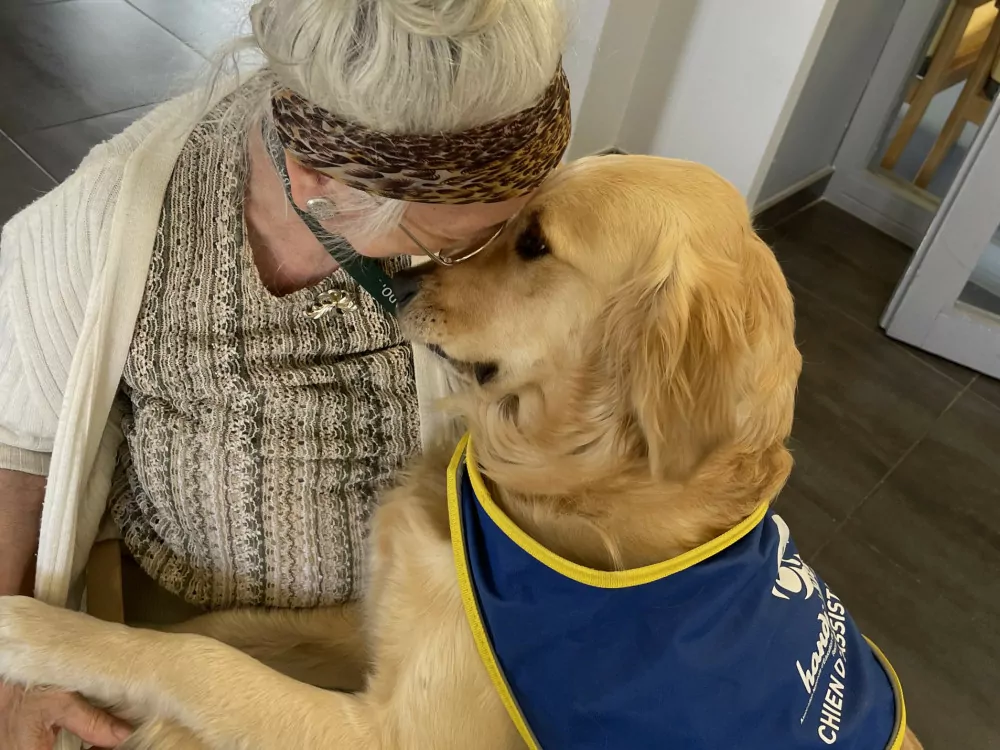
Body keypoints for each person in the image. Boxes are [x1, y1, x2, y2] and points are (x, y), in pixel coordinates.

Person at [0, 0, 570, 747]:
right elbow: (16, 446)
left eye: (517, 234)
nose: (485, 261)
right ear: (314, 183)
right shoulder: (109, 218)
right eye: (457, 245)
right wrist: (15, 679)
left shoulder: (479, 162)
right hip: (196, 638)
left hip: (433, 644)